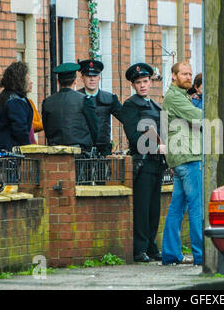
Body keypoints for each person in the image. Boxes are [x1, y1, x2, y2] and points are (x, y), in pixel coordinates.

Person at [122, 62, 167, 263]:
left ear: (151, 82)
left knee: (154, 208)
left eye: (145, 81)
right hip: (143, 162)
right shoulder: (131, 105)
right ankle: (140, 248)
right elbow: (133, 134)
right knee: (142, 207)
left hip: (157, 163)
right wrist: (156, 147)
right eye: (138, 82)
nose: (142, 85)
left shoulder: (155, 106)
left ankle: (151, 245)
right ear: (133, 85)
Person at [161, 61, 203, 266]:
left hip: (182, 158)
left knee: (177, 207)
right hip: (188, 158)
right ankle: (201, 255)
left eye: (190, 74)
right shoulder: (175, 97)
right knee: (197, 206)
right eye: (184, 74)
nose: (188, 77)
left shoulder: (180, 96)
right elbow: (199, 117)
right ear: (174, 76)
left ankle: (170, 254)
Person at [42, 63, 97, 150]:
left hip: (55, 152)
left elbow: (47, 130)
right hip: (80, 153)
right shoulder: (84, 100)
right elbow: (94, 128)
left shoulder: (47, 102)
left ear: (58, 81)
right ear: (75, 81)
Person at [78, 59, 124, 156]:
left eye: (95, 76)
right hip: (81, 150)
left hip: (103, 149)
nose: (92, 79)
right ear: (82, 78)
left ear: (99, 78)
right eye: (88, 76)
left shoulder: (110, 98)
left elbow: (126, 118)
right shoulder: (76, 98)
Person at [0, 61, 34, 151]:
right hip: (11, 153)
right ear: (20, 81)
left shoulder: (3, 97)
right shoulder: (16, 101)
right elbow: (20, 131)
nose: (31, 82)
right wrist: (29, 149)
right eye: (28, 79)